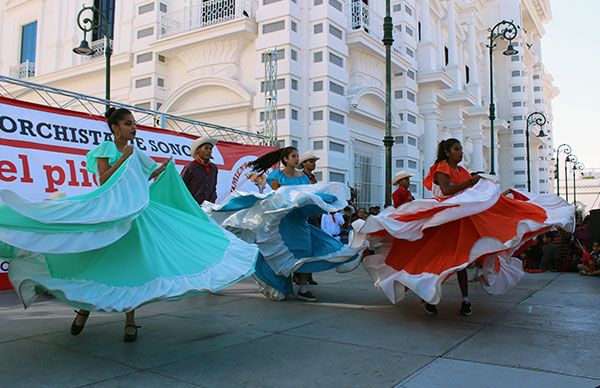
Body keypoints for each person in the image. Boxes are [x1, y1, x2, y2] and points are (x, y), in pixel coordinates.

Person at [0, 108, 259, 342]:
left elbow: (150, 174)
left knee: (134, 268)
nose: (133, 128)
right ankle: (83, 311)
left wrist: (163, 169)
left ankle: (130, 321)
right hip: (109, 214)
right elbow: (103, 180)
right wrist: (125, 158)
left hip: (136, 216)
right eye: (127, 123)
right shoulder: (107, 148)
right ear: (115, 127)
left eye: (134, 123)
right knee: (100, 267)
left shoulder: (136, 151)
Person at [352, 138, 574, 317]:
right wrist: (472, 183)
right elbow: (448, 191)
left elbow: (472, 193)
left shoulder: (462, 170)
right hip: (447, 219)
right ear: (447, 151)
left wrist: (490, 190)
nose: (461, 153)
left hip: (464, 219)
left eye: (460, 149)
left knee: (460, 261)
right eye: (457, 149)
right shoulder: (441, 167)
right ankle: (428, 294)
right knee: (442, 259)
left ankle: (464, 300)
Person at [204, 147, 362, 303]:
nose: (296, 158)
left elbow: (309, 194)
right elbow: (277, 198)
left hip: (299, 221)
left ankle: (304, 288)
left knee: (305, 253)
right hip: (281, 223)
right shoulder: (276, 175)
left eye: (297, 156)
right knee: (283, 254)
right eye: (294, 156)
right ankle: (282, 284)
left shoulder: (303, 178)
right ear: (286, 159)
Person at [298, 151, 320, 285]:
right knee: (302, 244)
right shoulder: (300, 177)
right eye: (310, 161)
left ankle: (308, 274)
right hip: (302, 213)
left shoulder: (314, 179)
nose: (313, 164)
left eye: (314, 162)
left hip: (311, 214)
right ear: (304, 164)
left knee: (314, 243)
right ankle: (301, 275)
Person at [181, 137, 218, 206]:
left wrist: (212, 201)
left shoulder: (213, 168)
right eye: (206, 148)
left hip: (208, 207)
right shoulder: (190, 167)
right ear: (198, 150)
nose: (209, 151)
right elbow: (181, 187)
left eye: (210, 149)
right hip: (192, 206)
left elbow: (213, 187)